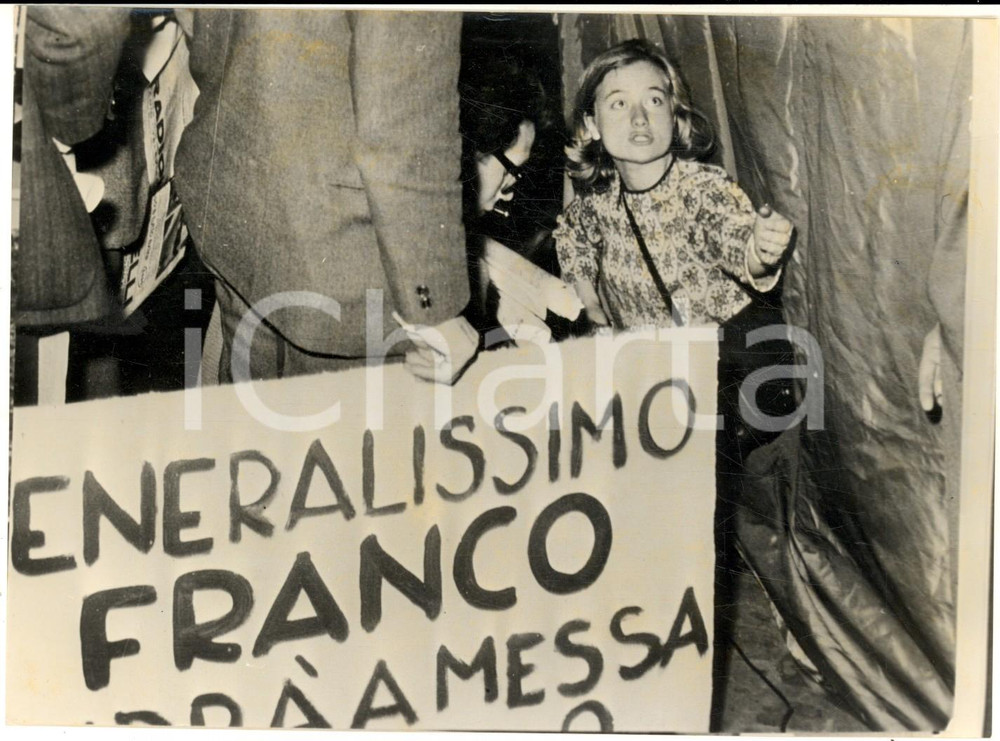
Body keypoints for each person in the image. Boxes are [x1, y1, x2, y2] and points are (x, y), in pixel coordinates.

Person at [173, 9, 479, 385]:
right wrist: (434, 309)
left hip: (232, 204)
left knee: (250, 413)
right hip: (343, 268)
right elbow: (404, 134)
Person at [554, 39, 794, 331]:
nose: (639, 118)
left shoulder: (701, 188)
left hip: (729, 346)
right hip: (652, 352)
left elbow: (734, 237)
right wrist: (590, 303)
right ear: (593, 125)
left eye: (654, 100)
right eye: (619, 103)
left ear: (673, 113)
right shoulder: (600, 197)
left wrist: (759, 251)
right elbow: (572, 237)